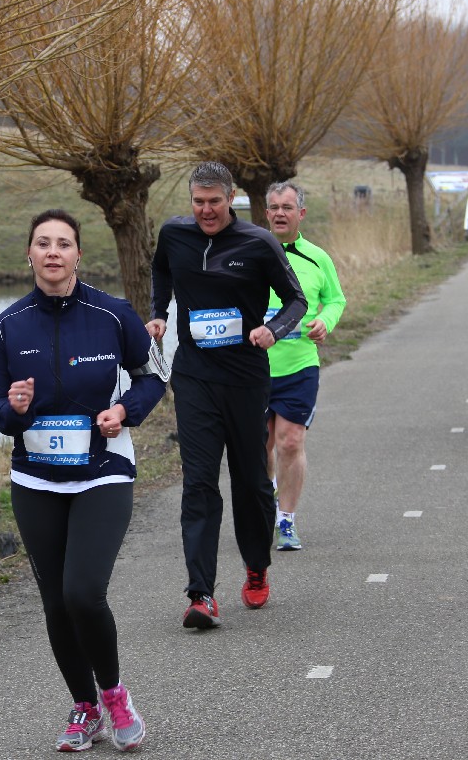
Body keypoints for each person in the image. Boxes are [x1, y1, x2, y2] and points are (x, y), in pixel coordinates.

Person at [0, 209, 167, 752]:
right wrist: (15, 410)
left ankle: (114, 695)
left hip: (102, 472)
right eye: (43, 243)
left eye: (63, 243)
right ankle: (84, 707)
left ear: (78, 255)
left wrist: (125, 411)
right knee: (56, 603)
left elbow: (154, 376)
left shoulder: (112, 314)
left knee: (83, 593)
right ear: (30, 254)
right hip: (35, 480)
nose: (53, 252)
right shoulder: (9, 324)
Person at [146, 162, 307, 630]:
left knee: (251, 481)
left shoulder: (258, 242)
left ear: (231, 197)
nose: (206, 210)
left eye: (214, 201)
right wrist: (159, 312)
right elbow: (161, 269)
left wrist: (273, 330)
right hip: (194, 377)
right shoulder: (174, 234)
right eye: (198, 201)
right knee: (198, 482)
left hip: (245, 379)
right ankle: (201, 594)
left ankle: (256, 565)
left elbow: (296, 300)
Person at [262, 181, 346, 552]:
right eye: (274, 207)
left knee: (291, 441)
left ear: (301, 213)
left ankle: (286, 520)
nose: (280, 213)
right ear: (266, 213)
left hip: (299, 365)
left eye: (287, 207)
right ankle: (267, 498)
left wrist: (325, 321)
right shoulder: (248, 252)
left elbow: (336, 299)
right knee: (260, 447)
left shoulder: (317, 257)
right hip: (253, 369)